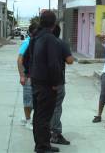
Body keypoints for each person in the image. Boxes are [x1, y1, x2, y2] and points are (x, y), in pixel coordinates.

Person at [30, 11, 63, 153]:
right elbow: (53, 64)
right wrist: (56, 83)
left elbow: (29, 59)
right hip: (46, 84)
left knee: (38, 116)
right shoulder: (50, 39)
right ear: (54, 24)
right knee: (44, 117)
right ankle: (43, 147)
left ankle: (40, 145)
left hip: (36, 82)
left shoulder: (35, 36)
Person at [50, 25, 74, 145]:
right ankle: (55, 133)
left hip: (40, 81)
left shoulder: (38, 41)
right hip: (57, 81)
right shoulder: (61, 43)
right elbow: (70, 61)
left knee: (45, 107)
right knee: (56, 106)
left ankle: (46, 131)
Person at [17, 23, 37, 130]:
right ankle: (28, 121)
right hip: (28, 77)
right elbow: (19, 60)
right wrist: (22, 76)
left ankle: (27, 118)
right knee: (28, 100)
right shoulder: (27, 42)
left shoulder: (35, 42)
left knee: (33, 100)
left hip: (34, 77)